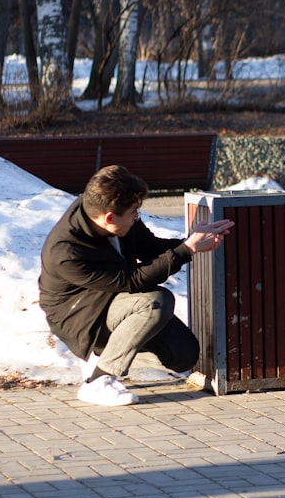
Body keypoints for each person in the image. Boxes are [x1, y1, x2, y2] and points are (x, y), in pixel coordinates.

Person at [39, 165, 234, 406]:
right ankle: (97, 381)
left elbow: (149, 247)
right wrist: (188, 249)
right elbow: (131, 281)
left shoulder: (112, 212)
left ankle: (108, 356)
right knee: (156, 302)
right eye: (134, 213)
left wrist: (190, 241)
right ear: (109, 217)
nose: (137, 217)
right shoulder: (67, 251)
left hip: (115, 301)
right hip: (82, 317)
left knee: (183, 355)